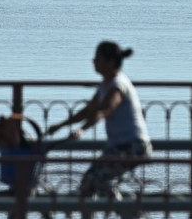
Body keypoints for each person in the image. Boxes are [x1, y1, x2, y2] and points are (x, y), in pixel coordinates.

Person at [48, 41, 152, 217]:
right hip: (120, 147)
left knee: (92, 181)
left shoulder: (118, 85)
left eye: (97, 58)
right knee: (94, 183)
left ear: (110, 62)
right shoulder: (106, 84)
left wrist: (83, 130)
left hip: (133, 147)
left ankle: (129, 213)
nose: (93, 61)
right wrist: (61, 125)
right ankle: (128, 213)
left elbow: (104, 111)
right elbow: (90, 110)